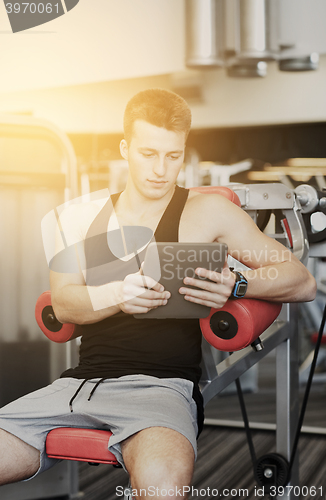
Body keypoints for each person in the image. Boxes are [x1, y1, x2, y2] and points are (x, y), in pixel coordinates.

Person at [0, 89, 316, 497]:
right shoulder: (80, 218)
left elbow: (301, 279)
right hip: (75, 387)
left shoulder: (208, 212)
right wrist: (116, 295)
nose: (161, 169)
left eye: (173, 156)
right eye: (148, 154)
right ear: (125, 148)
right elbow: (63, 302)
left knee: (163, 490)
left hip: (160, 389)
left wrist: (238, 284)